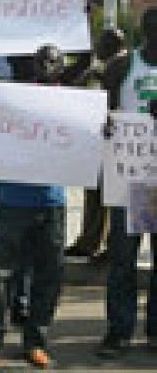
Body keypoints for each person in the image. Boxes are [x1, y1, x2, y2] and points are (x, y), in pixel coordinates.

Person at [0, 44, 70, 371]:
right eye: (41, 60)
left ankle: (36, 341)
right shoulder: (8, 98)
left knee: (49, 275)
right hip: (13, 202)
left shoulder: (74, 103)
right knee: (0, 276)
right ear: (31, 64)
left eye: (54, 61)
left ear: (61, 67)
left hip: (53, 202)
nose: (46, 65)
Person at [96, 7, 157, 359]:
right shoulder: (121, 67)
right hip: (128, 179)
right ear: (143, 31)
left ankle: (155, 332)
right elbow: (100, 110)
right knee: (123, 260)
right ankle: (118, 331)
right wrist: (105, 125)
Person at [65, 28, 128, 262]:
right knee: (98, 192)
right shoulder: (109, 66)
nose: (96, 48)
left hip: (115, 138)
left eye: (100, 43)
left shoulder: (117, 65)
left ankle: (96, 242)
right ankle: (92, 240)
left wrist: (95, 74)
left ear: (112, 44)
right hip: (105, 137)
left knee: (104, 194)